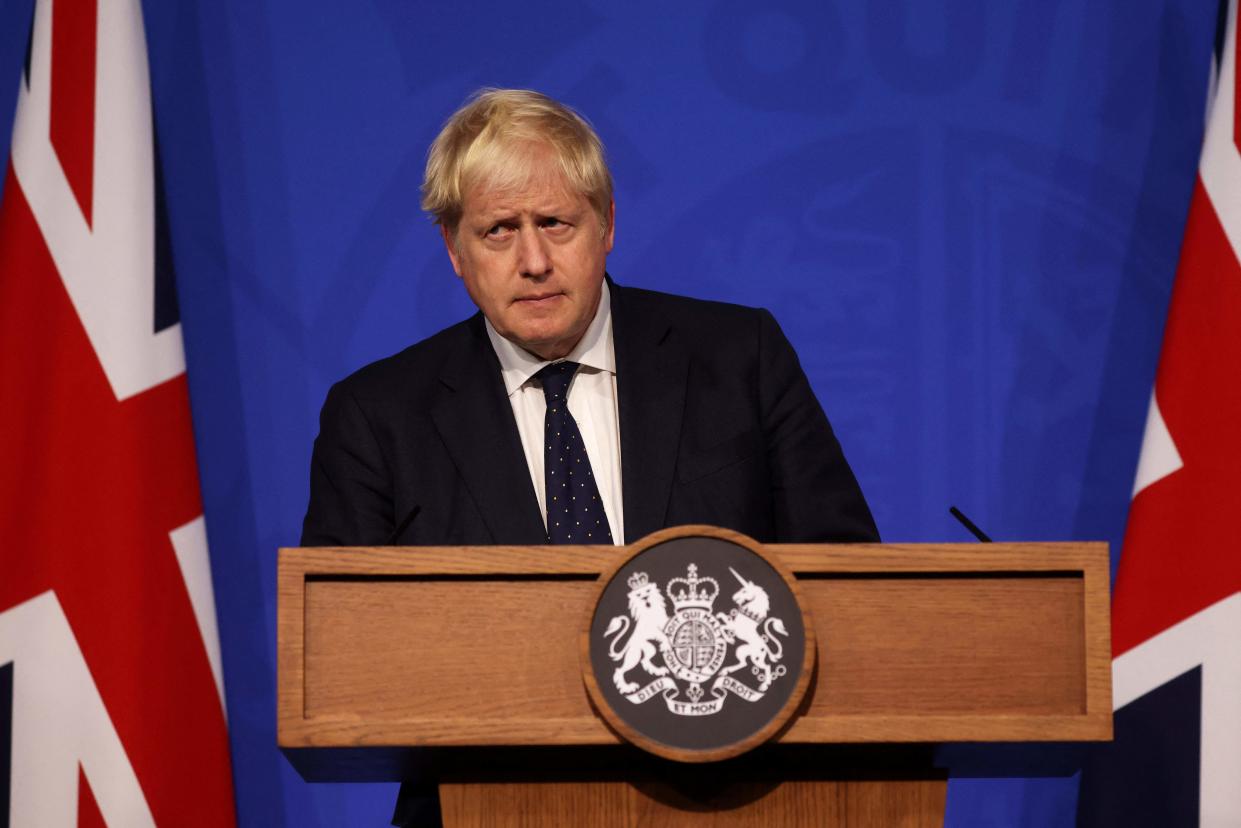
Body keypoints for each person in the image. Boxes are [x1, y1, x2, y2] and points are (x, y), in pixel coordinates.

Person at [300, 88, 878, 826]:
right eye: (498, 231)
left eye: (554, 223)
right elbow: (347, 656)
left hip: (734, 799)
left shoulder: (737, 359)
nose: (533, 260)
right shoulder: (379, 415)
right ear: (453, 250)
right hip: (484, 806)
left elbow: (845, 582)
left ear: (606, 224)